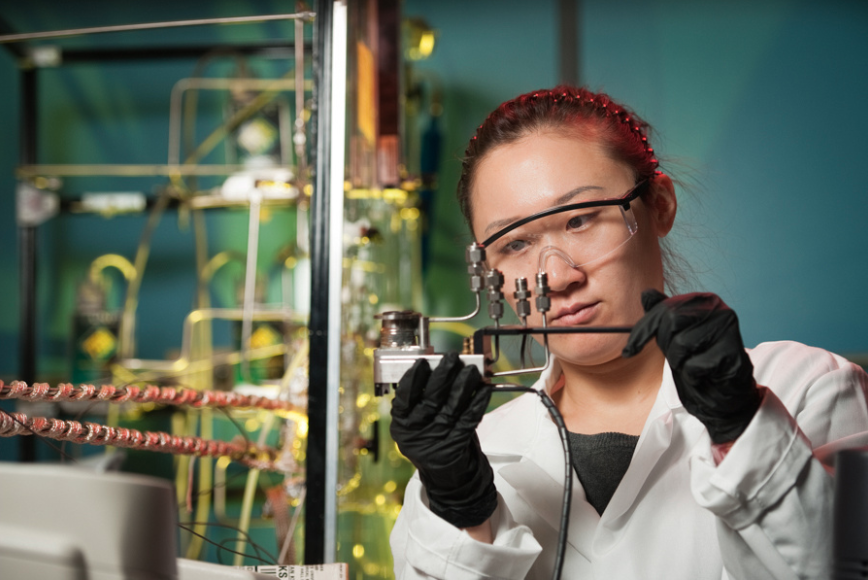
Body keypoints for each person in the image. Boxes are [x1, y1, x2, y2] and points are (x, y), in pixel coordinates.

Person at [387, 85, 868, 580]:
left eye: (580, 219)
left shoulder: (805, 387)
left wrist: (743, 428)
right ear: (486, 272)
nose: (557, 275)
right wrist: (463, 508)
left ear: (659, 204)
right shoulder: (477, 453)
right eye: (515, 244)